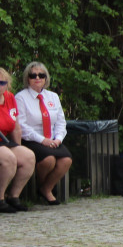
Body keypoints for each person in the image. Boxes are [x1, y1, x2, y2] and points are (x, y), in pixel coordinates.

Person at [16, 62, 73, 205]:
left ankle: (45, 188)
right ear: (27, 78)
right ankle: (44, 188)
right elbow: (21, 125)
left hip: (52, 139)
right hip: (32, 139)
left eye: (41, 75)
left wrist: (58, 139)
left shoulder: (53, 97)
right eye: (33, 75)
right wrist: (42, 140)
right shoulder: (21, 98)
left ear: (46, 78)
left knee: (66, 160)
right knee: (49, 160)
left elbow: (61, 122)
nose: (37, 78)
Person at [0, 68, 34, 213]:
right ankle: (0, 198)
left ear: (7, 84)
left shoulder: (10, 98)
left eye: (2, 82)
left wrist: (18, 147)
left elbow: (15, 127)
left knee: (28, 157)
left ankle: (13, 196)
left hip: (3, 141)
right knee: (8, 158)